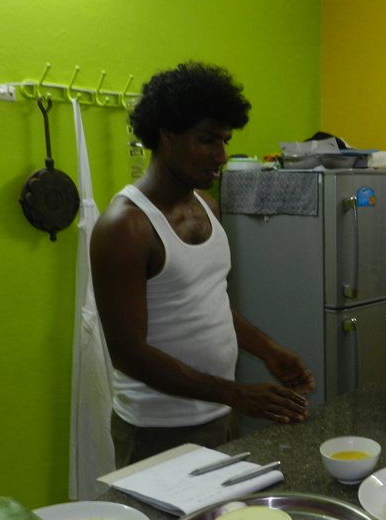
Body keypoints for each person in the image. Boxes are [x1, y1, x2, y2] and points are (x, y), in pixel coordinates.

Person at [91, 62, 314, 467]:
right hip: (157, 431)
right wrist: (235, 392)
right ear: (166, 135)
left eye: (225, 141)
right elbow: (128, 353)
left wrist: (268, 351)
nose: (222, 156)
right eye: (208, 140)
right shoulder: (126, 226)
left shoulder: (207, 207)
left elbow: (208, 303)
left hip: (219, 415)